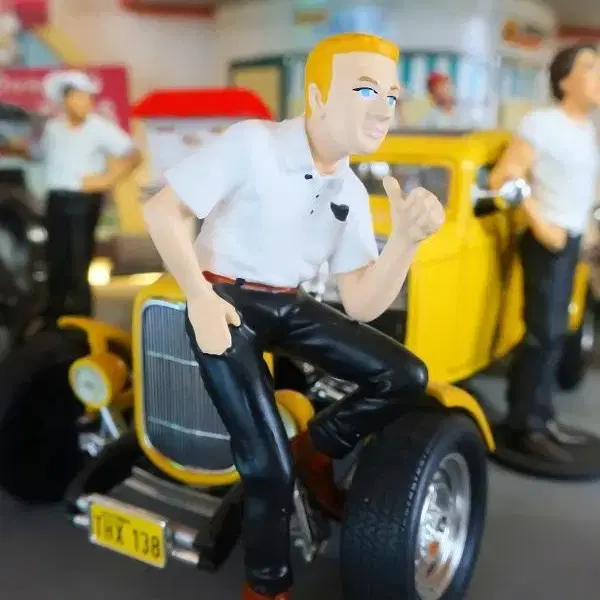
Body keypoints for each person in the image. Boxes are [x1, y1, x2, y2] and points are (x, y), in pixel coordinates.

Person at [143, 33, 445, 600]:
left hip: (290, 301)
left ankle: (319, 448)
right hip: (224, 300)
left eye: (392, 96)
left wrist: (405, 242)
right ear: (317, 97)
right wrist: (199, 296)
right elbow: (164, 211)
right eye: (366, 90)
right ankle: (267, 587)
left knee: (405, 374)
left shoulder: (351, 191)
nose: (384, 109)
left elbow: (361, 304)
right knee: (267, 468)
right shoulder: (252, 144)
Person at [489, 43, 600, 464]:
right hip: (546, 242)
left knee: (557, 334)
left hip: (571, 241)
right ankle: (524, 425)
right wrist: (540, 223)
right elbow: (504, 179)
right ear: (564, 78)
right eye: (590, 67)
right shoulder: (541, 123)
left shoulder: (585, 128)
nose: (599, 74)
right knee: (542, 334)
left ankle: (543, 417)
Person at [5, 70, 142, 318]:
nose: (85, 102)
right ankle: (55, 314)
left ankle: (81, 315)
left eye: (87, 97)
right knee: (55, 258)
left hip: (83, 201)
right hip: (56, 199)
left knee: (79, 259)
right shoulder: (53, 128)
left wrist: (107, 180)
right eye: (79, 96)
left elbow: (133, 155)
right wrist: (12, 148)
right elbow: (38, 154)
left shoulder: (99, 127)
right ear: (65, 99)